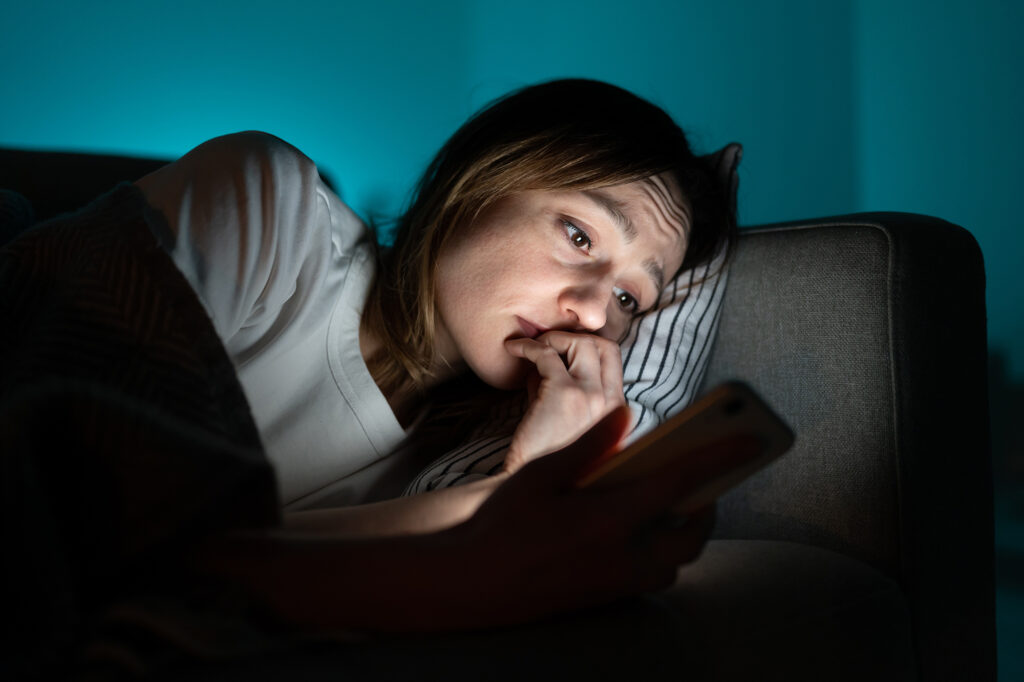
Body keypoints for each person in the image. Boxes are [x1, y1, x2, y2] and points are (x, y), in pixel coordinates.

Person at [3, 79, 743, 675]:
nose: (588, 313)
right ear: (481, 182)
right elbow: (62, 503)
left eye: (628, 300)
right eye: (578, 234)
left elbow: (195, 563)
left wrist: (522, 482)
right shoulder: (274, 210)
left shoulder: (445, 464)